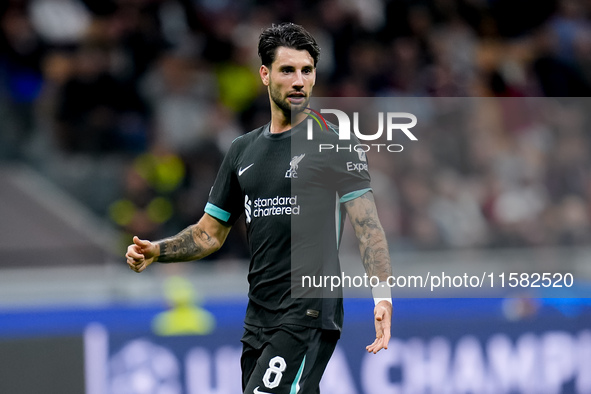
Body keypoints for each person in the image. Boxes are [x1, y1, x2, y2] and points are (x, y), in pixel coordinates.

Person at [126, 22, 392, 393]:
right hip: (259, 316)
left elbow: (368, 226)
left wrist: (382, 296)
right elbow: (208, 234)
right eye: (288, 70)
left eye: (307, 70)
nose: (299, 80)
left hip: (308, 310)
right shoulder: (242, 151)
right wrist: (158, 250)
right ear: (265, 75)